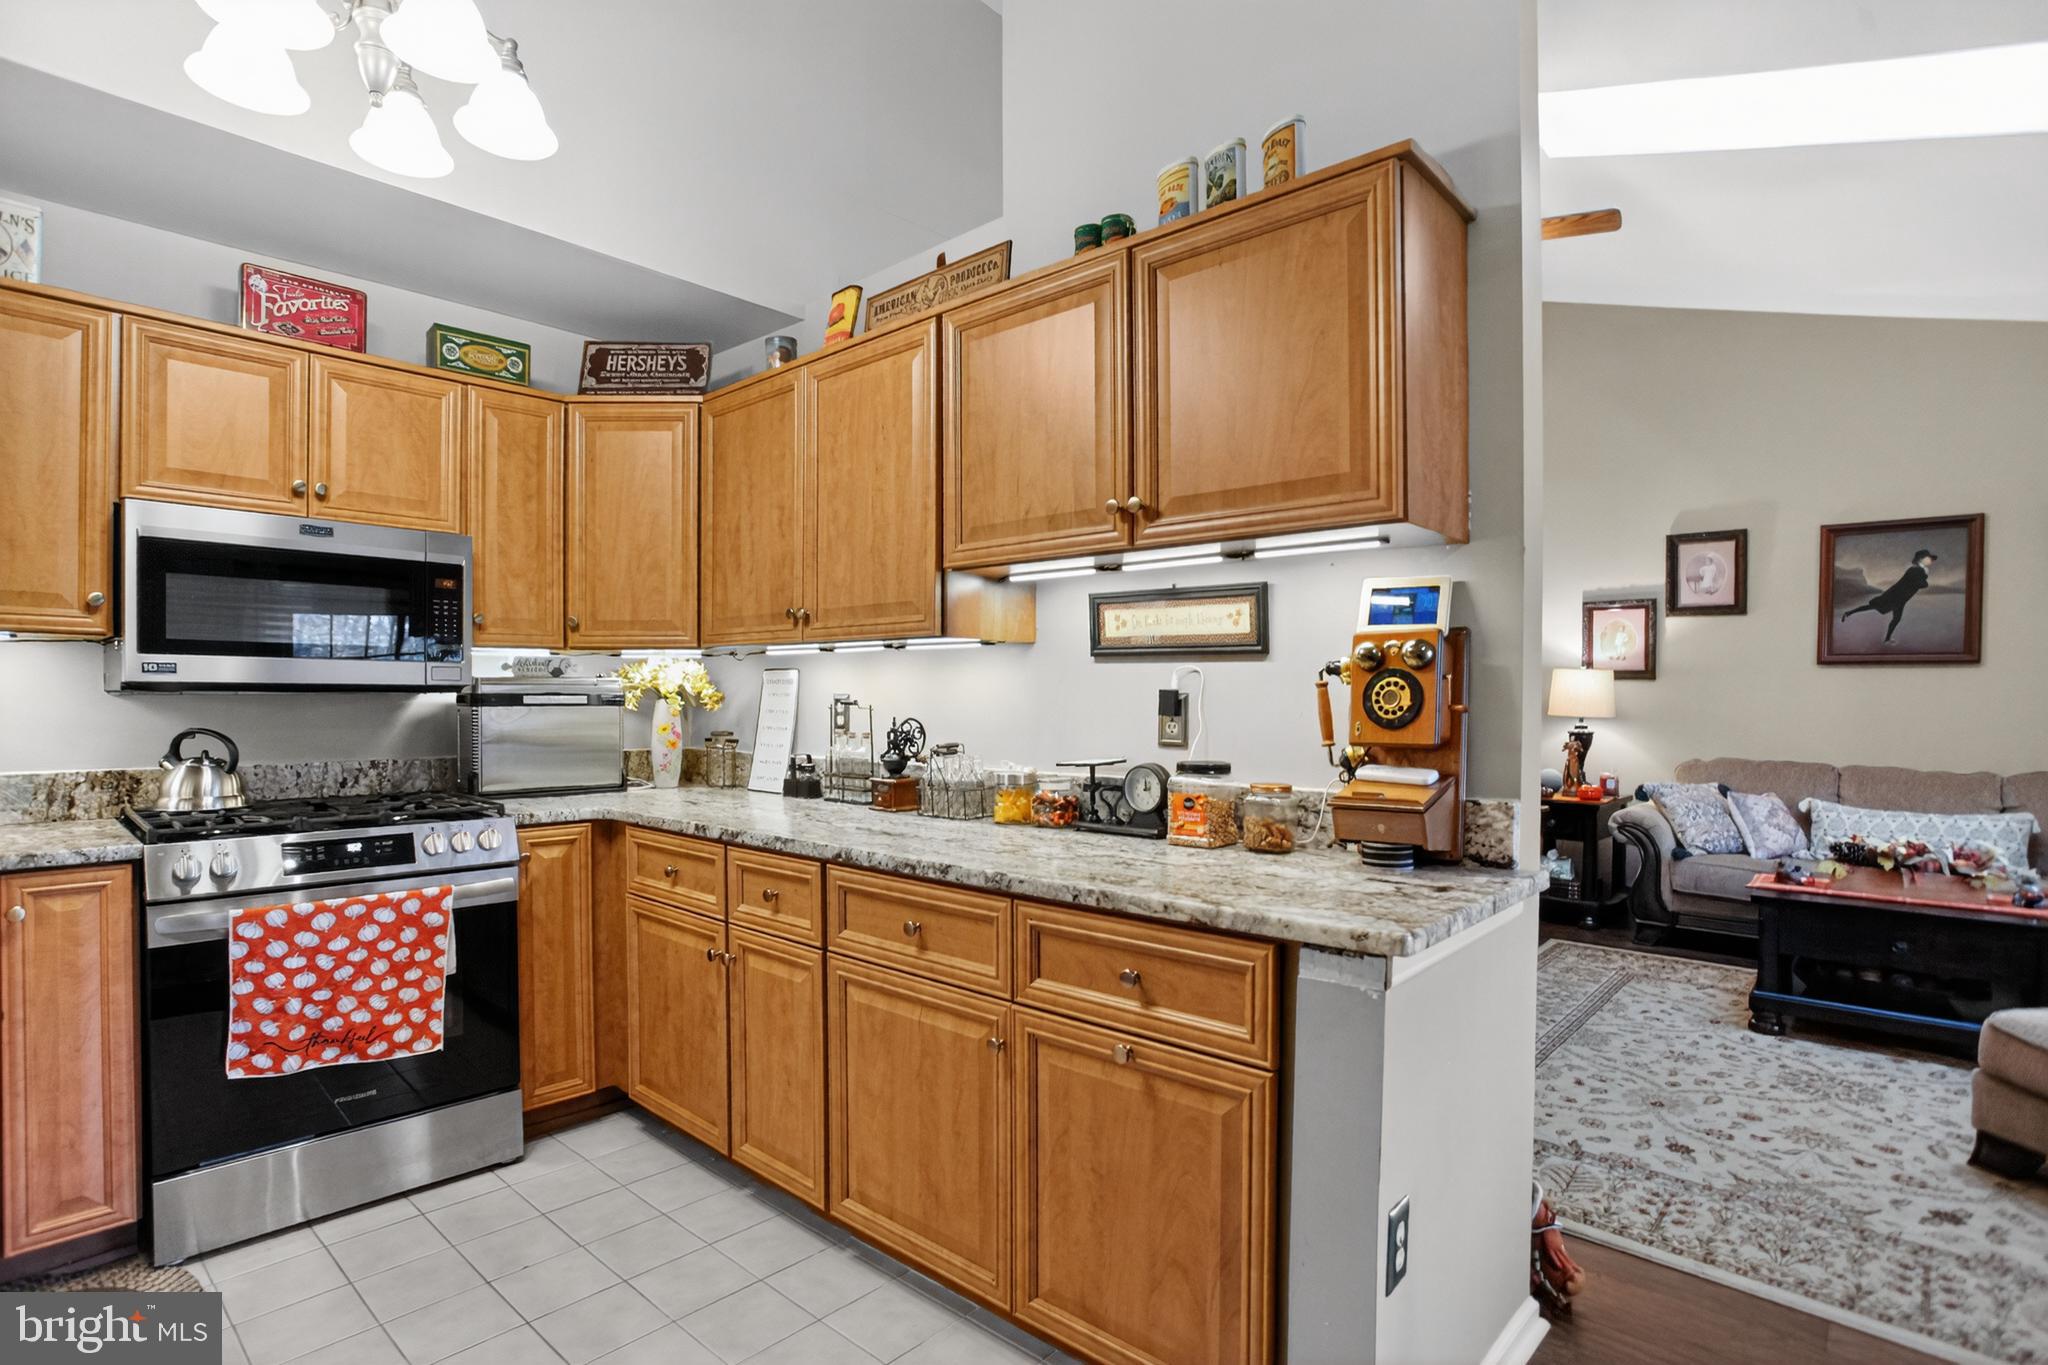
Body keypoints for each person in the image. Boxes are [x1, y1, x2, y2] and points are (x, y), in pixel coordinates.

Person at [1841, 548, 1937, 645]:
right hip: (1895, 596)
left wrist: (1923, 579)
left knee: (1894, 617)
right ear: (1921, 559)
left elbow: (1919, 583)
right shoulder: (1914, 570)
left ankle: (1886, 638)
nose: (1930, 560)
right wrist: (1925, 582)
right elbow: (1921, 584)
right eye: (1928, 558)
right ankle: (1849, 613)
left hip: (1901, 598)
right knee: (1875, 607)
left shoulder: (1921, 570)